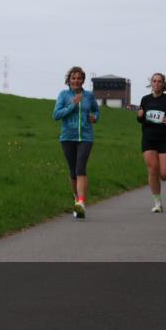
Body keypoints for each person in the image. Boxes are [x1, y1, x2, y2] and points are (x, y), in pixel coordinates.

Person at [52, 66, 99, 219]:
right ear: (69, 80)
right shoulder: (63, 95)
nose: (76, 81)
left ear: (83, 80)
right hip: (67, 137)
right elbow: (56, 115)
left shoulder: (89, 96)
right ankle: (76, 198)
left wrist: (95, 117)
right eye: (73, 78)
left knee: (81, 168)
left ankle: (81, 203)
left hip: (85, 137)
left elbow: (96, 111)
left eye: (79, 78)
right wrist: (73, 104)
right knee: (73, 172)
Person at [137, 73, 166, 213]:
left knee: (164, 173)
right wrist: (138, 116)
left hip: (165, 139)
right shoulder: (145, 99)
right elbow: (141, 118)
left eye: (159, 81)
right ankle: (157, 203)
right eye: (154, 81)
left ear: (163, 84)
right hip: (149, 138)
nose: (156, 83)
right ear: (151, 83)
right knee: (152, 169)